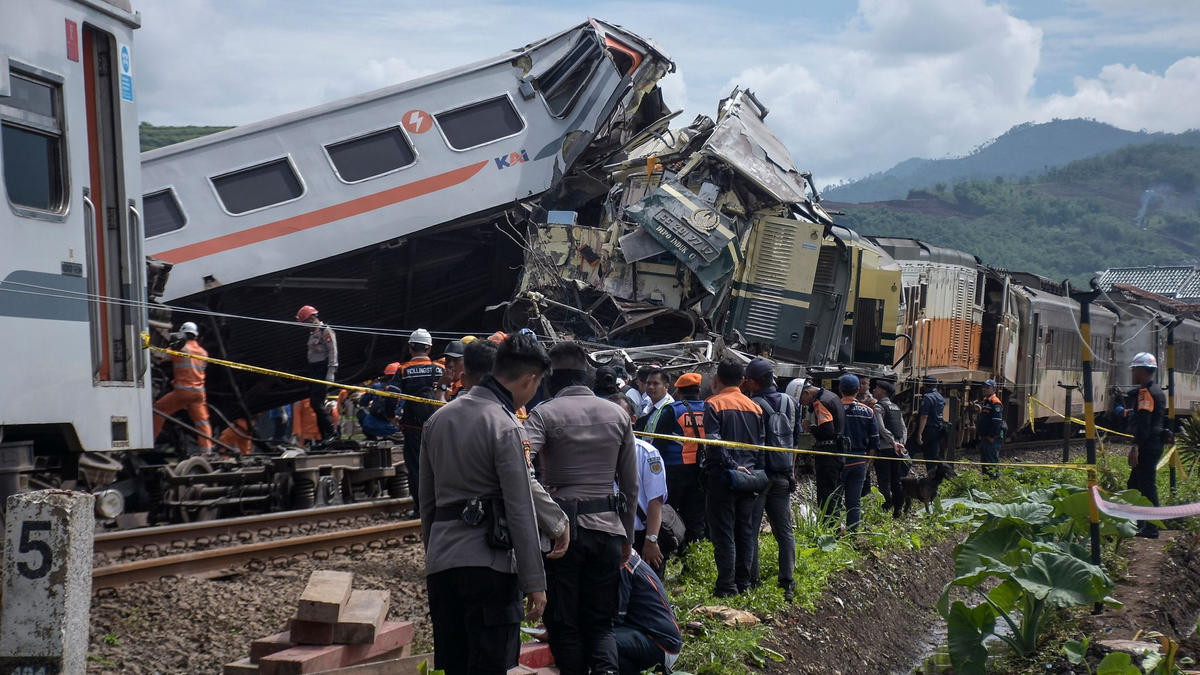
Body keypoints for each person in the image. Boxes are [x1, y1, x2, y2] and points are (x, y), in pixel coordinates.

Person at [420, 333, 555, 675]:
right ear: (529, 379)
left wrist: (434, 554)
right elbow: (521, 509)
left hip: (443, 565)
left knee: (453, 664)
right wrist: (535, 582)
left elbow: (427, 504)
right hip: (490, 567)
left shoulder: (436, 420)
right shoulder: (507, 426)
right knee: (493, 665)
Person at [524, 342, 639, 675]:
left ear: (551, 378)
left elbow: (518, 461)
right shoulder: (618, 414)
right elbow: (630, 486)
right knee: (600, 625)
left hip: (563, 537)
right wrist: (627, 538)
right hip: (608, 532)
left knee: (564, 625)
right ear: (585, 375)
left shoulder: (544, 413)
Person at [703, 358, 765, 597]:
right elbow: (760, 446)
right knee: (745, 532)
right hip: (750, 479)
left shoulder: (713, 403)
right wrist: (754, 472)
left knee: (724, 533)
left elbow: (714, 444)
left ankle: (727, 587)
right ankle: (744, 583)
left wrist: (733, 466)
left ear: (716, 379)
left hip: (723, 477)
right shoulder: (755, 407)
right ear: (742, 381)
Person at [744, 357, 800, 600]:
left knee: (751, 529)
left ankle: (753, 581)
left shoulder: (752, 404)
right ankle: (787, 583)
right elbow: (795, 441)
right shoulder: (792, 403)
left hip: (759, 476)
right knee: (785, 531)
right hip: (783, 474)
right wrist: (791, 471)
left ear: (754, 382)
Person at [609, 395, 669, 579]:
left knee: (644, 593)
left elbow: (655, 500)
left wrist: (651, 540)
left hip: (640, 534)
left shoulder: (646, 453)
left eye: (620, 416)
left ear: (633, 420)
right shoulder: (595, 451)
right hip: (608, 534)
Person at [395, 328, 445, 519]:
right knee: (441, 464)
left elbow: (392, 395)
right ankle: (443, 505)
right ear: (429, 349)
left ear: (410, 348)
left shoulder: (403, 370)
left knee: (416, 467)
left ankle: (420, 509)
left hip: (413, 427)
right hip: (438, 424)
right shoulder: (439, 369)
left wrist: (392, 416)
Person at [614, 550, 683, 675]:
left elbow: (616, 618)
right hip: (645, 634)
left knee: (600, 640)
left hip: (661, 642)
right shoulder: (625, 555)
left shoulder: (623, 562)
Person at [153, 321, 214, 454]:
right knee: (202, 423)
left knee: (158, 410)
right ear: (196, 336)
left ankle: (150, 442)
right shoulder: (204, 353)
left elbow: (160, 357)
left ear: (182, 335)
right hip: (198, 394)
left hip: (183, 392)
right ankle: (207, 453)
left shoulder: (181, 349)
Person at [663, 373, 708, 550]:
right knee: (695, 519)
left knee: (668, 515)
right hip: (700, 472)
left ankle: (664, 556)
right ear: (698, 391)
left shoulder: (673, 409)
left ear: (679, 391)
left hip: (674, 471)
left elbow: (659, 443)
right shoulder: (708, 409)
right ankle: (691, 562)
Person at [1127, 352, 1167, 538]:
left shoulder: (1146, 393)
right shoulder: (1158, 391)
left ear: (1141, 370)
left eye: (1134, 369)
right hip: (1156, 442)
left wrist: (1136, 447)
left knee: (1147, 486)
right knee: (1134, 484)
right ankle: (1139, 523)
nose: (1132, 373)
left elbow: (1145, 423)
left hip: (1148, 445)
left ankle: (1151, 528)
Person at [797, 379, 846, 523]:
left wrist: (809, 428)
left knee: (826, 496)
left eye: (802, 400)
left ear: (806, 392)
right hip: (838, 453)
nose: (803, 404)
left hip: (828, 456)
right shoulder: (832, 396)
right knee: (835, 495)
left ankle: (829, 531)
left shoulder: (821, 402)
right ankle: (835, 528)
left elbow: (827, 430)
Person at [839, 375, 879, 532]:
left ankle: (833, 532)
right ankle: (853, 534)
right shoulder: (868, 411)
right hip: (859, 461)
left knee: (834, 499)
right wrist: (868, 460)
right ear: (858, 390)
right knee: (854, 502)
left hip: (838, 461)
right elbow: (874, 440)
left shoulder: (833, 408)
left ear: (840, 389)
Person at [297, 305, 339, 444]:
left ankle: (332, 432)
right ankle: (324, 436)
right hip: (314, 370)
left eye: (305, 323)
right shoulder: (313, 333)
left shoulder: (325, 331)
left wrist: (331, 373)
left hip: (322, 370)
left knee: (316, 402)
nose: (305, 327)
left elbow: (333, 351)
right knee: (315, 403)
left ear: (312, 319)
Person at [871, 379, 908, 517]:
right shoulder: (896, 408)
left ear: (883, 391)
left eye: (876, 388)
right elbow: (903, 428)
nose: (873, 390)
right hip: (898, 450)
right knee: (896, 479)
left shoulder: (878, 407)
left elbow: (880, 427)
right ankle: (898, 508)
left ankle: (885, 508)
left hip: (885, 448)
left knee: (884, 479)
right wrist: (901, 443)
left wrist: (891, 441)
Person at [359, 362, 402, 440]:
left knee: (360, 412)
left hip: (371, 426)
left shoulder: (377, 386)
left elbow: (362, 402)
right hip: (394, 429)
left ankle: (371, 437)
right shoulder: (403, 389)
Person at [916, 375, 947, 481]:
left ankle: (902, 474)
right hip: (938, 429)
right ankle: (935, 479)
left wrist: (919, 433)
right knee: (933, 455)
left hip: (928, 429)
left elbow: (924, 416)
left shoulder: (927, 398)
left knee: (910, 450)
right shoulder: (940, 397)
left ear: (925, 385)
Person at [977, 379, 1005, 478]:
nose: (985, 389)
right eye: (984, 387)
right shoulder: (986, 401)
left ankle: (994, 483)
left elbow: (997, 421)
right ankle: (987, 482)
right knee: (985, 462)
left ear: (994, 389)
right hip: (985, 437)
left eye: (988, 387)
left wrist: (991, 436)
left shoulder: (995, 403)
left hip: (992, 439)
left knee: (991, 462)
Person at [635, 368, 674, 433]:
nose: (650, 387)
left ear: (666, 387)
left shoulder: (670, 409)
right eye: (648, 383)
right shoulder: (647, 401)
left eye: (655, 384)